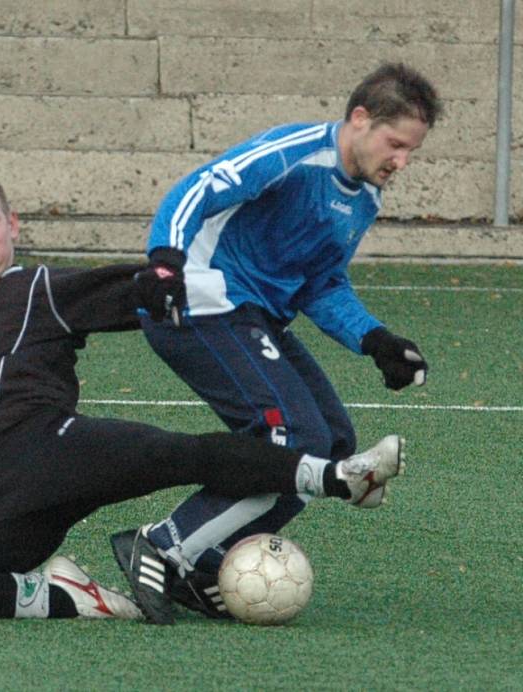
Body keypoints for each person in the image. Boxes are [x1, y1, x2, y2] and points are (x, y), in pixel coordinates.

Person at [0, 170, 406, 624]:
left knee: (178, 454)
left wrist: (170, 282)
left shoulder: (38, 289)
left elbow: (131, 292)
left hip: (48, 452)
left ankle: (339, 476)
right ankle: (63, 596)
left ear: (12, 226)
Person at [113, 62, 441, 622]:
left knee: (333, 441)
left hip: (255, 318)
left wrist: (375, 339)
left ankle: (204, 561)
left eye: (412, 151)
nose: (401, 161)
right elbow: (198, 189)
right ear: (359, 119)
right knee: (288, 435)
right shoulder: (294, 153)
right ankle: (165, 543)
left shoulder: (364, 198)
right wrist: (164, 264)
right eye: (395, 144)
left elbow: (322, 282)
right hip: (199, 302)